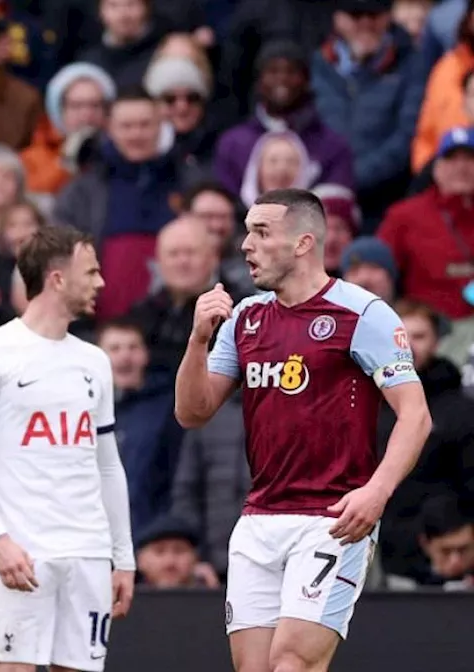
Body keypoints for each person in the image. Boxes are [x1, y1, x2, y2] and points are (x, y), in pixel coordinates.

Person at [174, 188, 433, 672]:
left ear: (302, 243)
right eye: (246, 231)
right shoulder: (244, 319)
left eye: (261, 232)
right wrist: (197, 340)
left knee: (292, 662)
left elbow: (415, 415)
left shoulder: (362, 314)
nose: (245, 245)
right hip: (258, 517)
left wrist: (377, 491)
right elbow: (193, 412)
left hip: (331, 516)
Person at [0, 225, 136, 671]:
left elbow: (107, 465)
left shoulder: (93, 361)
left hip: (88, 553)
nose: (101, 282)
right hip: (25, 551)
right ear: (56, 277)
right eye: (90, 271)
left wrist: (122, 557)